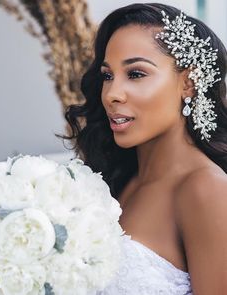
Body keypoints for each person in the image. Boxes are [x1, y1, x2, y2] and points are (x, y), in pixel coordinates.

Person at [64, 3, 227, 294]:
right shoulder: (114, 178)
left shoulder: (207, 190)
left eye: (136, 74)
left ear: (189, 83)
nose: (112, 94)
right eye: (107, 75)